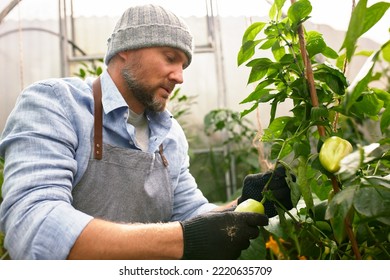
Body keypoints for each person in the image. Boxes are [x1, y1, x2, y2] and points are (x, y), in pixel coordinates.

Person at [0, 4, 292, 260]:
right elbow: (33, 226)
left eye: (183, 65)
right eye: (169, 57)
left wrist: (244, 207)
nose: (179, 76)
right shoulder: (57, 104)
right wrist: (183, 240)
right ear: (126, 49)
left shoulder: (170, 135)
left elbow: (190, 214)